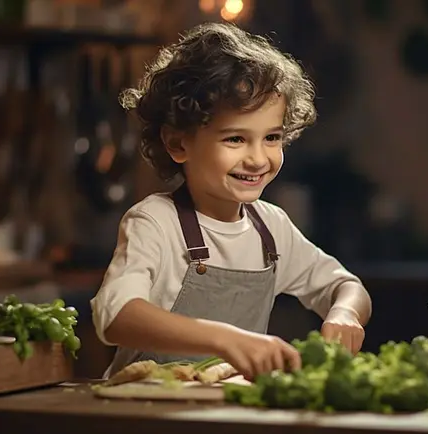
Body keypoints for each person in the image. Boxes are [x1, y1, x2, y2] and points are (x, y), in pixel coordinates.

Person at [90, 21, 371, 380]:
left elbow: (345, 286)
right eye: (235, 139)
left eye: (271, 137)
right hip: (147, 415)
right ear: (178, 144)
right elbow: (116, 317)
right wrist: (225, 340)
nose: (258, 158)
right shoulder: (155, 222)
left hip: (228, 414)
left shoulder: (271, 228)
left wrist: (344, 313)